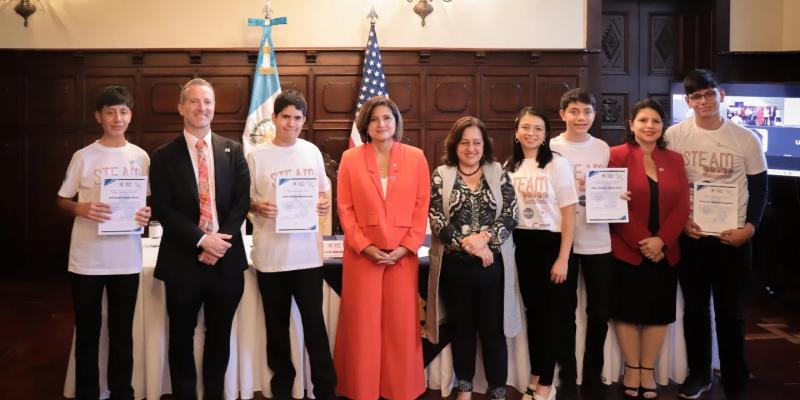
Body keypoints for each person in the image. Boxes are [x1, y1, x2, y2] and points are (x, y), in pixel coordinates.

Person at [667, 69, 767, 400]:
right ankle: (700, 375)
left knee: (732, 313)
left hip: (733, 238)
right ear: (688, 101)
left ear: (721, 95)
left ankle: (736, 378)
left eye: (709, 94)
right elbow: (670, 187)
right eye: (696, 96)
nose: (704, 101)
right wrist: (680, 222)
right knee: (695, 310)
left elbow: (759, 189)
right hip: (692, 237)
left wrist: (749, 229)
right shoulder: (675, 136)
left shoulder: (746, 138)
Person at [149, 78, 251, 400]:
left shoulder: (233, 151)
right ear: (181, 107)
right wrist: (201, 240)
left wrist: (218, 244)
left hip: (227, 261)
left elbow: (241, 203)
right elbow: (163, 208)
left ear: (214, 107)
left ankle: (215, 394)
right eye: (194, 101)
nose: (201, 107)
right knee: (181, 335)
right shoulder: (164, 156)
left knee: (219, 335)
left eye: (207, 101)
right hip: (183, 260)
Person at [57, 85, 151, 400]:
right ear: (99, 116)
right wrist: (79, 208)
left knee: (122, 333)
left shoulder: (141, 157)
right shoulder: (83, 156)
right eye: (110, 111)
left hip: (126, 257)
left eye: (123, 111)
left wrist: (145, 214)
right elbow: (61, 200)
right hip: (87, 259)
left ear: (130, 115)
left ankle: (122, 392)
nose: (117, 118)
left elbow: (144, 204)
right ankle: (88, 393)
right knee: (87, 332)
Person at [334, 96, 430, 400]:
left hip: (402, 256)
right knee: (362, 325)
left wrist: (407, 246)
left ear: (396, 122)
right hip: (363, 256)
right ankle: (360, 388)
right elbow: (345, 209)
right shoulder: (350, 158)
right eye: (374, 119)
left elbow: (421, 206)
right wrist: (364, 246)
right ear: (366, 124)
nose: (381, 124)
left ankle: (400, 388)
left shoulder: (416, 157)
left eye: (387, 118)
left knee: (401, 326)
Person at [246, 89, 337, 400]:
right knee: (277, 328)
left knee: (315, 326)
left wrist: (324, 204)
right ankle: (282, 387)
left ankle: (325, 388)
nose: (291, 123)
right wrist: (257, 207)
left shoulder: (311, 151)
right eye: (285, 117)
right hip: (271, 257)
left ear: (304, 120)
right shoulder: (256, 155)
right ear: (274, 118)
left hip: (308, 256)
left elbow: (323, 192)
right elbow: (242, 201)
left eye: (297, 118)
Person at [427, 116, 521, 400]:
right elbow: (436, 219)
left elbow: (511, 214)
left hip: (493, 266)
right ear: (455, 145)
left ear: (484, 145)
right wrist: (469, 245)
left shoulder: (498, 172)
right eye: (465, 142)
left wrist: (485, 239)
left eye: (476, 142)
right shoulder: (441, 174)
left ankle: (498, 389)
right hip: (455, 267)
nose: (471, 148)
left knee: (494, 331)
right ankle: (465, 387)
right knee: (461, 329)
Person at [608, 99, 689, 400]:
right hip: (627, 249)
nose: (649, 126)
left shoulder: (676, 159)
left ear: (663, 126)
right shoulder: (615, 156)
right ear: (631, 124)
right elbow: (610, 202)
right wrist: (642, 241)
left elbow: (683, 206)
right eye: (643, 120)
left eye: (655, 121)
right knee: (627, 311)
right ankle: (631, 367)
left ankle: (648, 369)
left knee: (658, 313)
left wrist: (662, 241)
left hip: (665, 252)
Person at [506, 108, 577, 400]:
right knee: (533, 315)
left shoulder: (558, 165)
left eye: (537, 128)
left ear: (546, 134)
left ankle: (547, 384)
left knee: (550, 318)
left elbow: (569, 215)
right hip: (522, 245)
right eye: (526, 127)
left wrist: (563, 258)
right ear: (516, 131)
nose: (531, 133)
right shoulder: (510, 165)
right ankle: (536, 375)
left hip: (551, 244)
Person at [549, 88, 612, 400]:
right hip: (564, 242)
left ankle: (592, 374)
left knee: (600, 311)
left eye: (587, 112)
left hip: (599, 238)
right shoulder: (550, 147)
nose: (581, 117)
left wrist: (618, 197)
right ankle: (567, 373)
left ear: (594, 115)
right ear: (562, 115)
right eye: (574, 111)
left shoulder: (603, 149)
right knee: (565, 310)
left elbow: (611, 189)